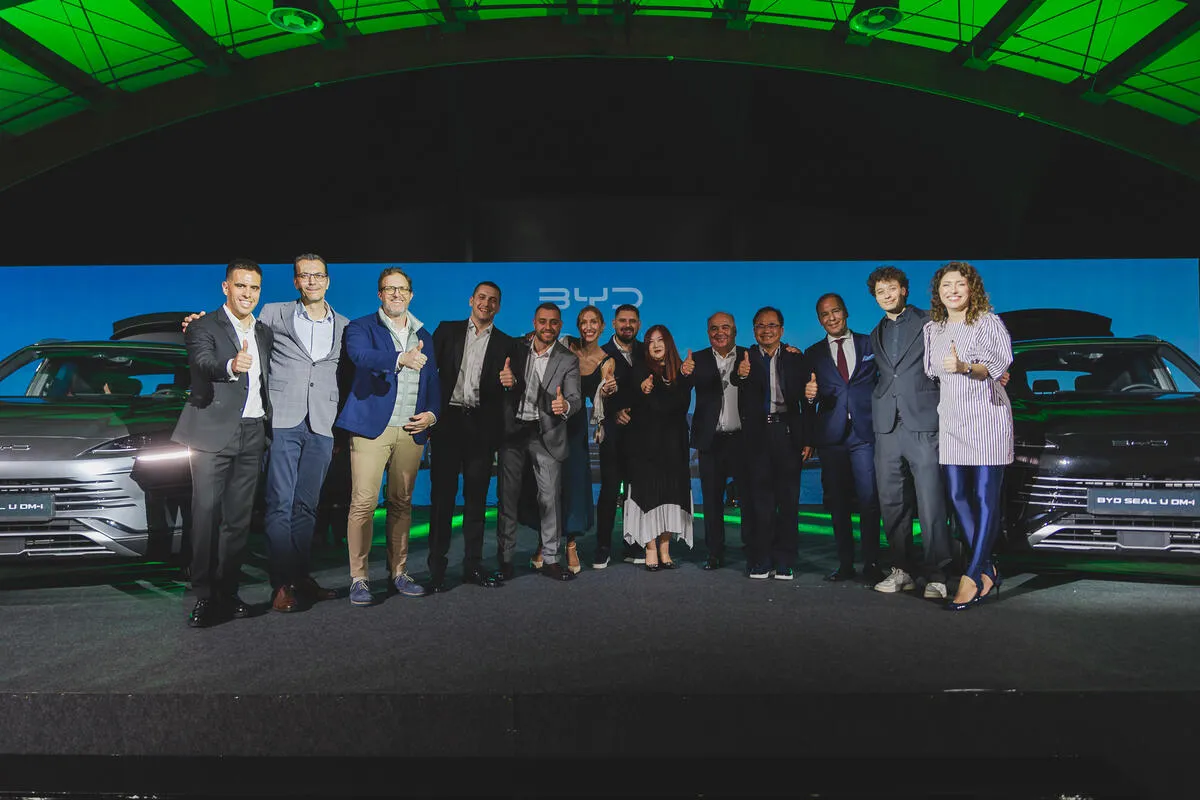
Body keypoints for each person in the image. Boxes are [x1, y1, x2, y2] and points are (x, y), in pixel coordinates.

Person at [171, 258, 273, 628]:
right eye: (241, 285)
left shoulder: (263, 332)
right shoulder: (202, 326)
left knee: (238, 521)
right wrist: (231, 365)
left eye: (254, 287)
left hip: (253, 432)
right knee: (205, 516)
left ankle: (228, 593)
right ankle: (204, 596)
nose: (248, 293)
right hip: (211, 434)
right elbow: (202, 362)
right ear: (225, 287)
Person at [335, 267, 440, 607]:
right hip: (371, 429)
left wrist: (432, 414)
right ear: (380, 294)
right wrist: (400, 358)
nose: (396, 294)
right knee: (363, 503)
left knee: (401, 503)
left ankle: (399, 572)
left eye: (402, 289)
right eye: (389, 289)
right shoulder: (360, 327)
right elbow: (361, 357)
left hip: (410, 430)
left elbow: (433, 380)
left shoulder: (424, 333)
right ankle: (359, 578)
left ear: (411, 294)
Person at [258, 254, 349, 612]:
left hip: (322, 422)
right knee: (279, 504)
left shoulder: (344, 325)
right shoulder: (273, 313)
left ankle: (300, 577)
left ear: (328, 281)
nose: (312, 281)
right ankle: (282, 584)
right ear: (296, 281)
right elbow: (244, 340)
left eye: (318, 275)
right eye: (304, 276)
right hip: (283, 418)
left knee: (307, 506)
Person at [923, 262, 1013, 610]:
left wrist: (964, 367)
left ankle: (972, 574)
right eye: (947, 285)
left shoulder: (988, 322)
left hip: (986, 417)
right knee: (958, 496)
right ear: (938, 292)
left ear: (972, 288)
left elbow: (997, 366)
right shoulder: (933, 329)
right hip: (952, 420)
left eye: (960, 284)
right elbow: (933, 372)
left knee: (984, 497)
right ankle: (988, 568)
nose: (953, 290)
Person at [867, 266, 953, 600]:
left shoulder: (931, 322)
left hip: (923, 423)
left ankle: (937, 574)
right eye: (880, 292)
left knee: (931, 502)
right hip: (887, 426)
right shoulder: (876, 332)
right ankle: (901, 570)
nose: (886, 295)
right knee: (892, 502)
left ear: (904, 289)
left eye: (891, 288)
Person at [427, 281, 511, 591]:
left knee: (476, 501)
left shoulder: (506, 343)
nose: (486, 304)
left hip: (482, 428)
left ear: (498, 307)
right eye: (481, 298)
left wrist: (511, 381)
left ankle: (473, 566)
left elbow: (511, 389)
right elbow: (427, 376)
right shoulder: (446, 331)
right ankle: (436, 570)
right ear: (471, 300)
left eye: (493, 300)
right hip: (447, 424)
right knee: (442, 500)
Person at [496, 303, 581, 582]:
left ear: (560, 325)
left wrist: (564, 406)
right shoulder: (515, 348)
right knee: (508, 497)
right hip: (513, 431)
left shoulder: (568, 359)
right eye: (543, 321)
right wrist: (505, 382)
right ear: (534, 322)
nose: (548, 327)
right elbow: (497, 382)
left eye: (554, 322)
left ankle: (552, 559)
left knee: (549, 499)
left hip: (546, 434)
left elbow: (575, 399)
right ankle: (505, 560)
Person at [803, 294, 885, 585]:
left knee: (869, 500)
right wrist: (809, 396)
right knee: (837, 503)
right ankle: (845, 564)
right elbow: (807, 395)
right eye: (825, 315)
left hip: (865, 432)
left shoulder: (869, 343)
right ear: (819, 320)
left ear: (846, 312)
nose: (831, 318)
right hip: (831, 437)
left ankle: (872, 563)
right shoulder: (812, 353)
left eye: (835, 311)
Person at [731, 307, 814, 580]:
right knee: (759, 502)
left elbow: (806, 401)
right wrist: (741, 374)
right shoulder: (744, 357)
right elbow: (734, 380)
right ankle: (761, 559)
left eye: (772, 325)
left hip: (787, 432)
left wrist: (807, 439)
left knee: (788, 501)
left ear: (781, 329)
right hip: (756, 435)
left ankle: (785, 560)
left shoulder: (795, 358)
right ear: (753, 330)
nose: (766, 330)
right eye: (760, 326)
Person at [531, 305, 607, 574]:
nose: (588, 327)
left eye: (594, 322)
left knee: (573, 486)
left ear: (602, 326)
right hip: (548, 424)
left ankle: (571, 544)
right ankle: (544, 542)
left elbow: (602, 399)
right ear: (576, 326)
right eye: (584, 322)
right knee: (547, 489)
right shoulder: (563, 344)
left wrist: (602, 418)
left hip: (574, 427)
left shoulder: (606, 360)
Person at [682, 312, 750, 570]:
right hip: (710, 441)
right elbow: (679, 392)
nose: (719, 332)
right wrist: (683, 373)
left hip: (742, 439)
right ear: (707, 332)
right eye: (714, 328)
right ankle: (714, 552)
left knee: (749, 498)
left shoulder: (749, 356)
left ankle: (752, 547)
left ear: (735, 330)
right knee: (711, 500)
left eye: (725, 327)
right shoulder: (696, 359)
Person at [623, 325, 694, 569]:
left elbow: (682, 405)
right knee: (649, 494)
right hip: (646, 445)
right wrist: (642, 390)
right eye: (650, 341)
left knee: (672, 494)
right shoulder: (640, 369)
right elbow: (638, 401)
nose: (655, 345)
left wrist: (684, 378)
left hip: (674, 444)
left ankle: (665, 547)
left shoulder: (681, 370)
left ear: (669, 342)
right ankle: (650, 547)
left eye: (660, 340)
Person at [592, 303, 644, 569]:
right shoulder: (601, 353)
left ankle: (633, 542)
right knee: (610, 491)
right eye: (622, 320)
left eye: (632, 321)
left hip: (642, 435)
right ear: (613, 324)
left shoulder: (646, 351)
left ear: (639, 324)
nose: (627, 325)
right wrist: (613, 414)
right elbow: (593, 392)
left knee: (637, 492)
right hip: (612, 435)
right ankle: (603, 546)